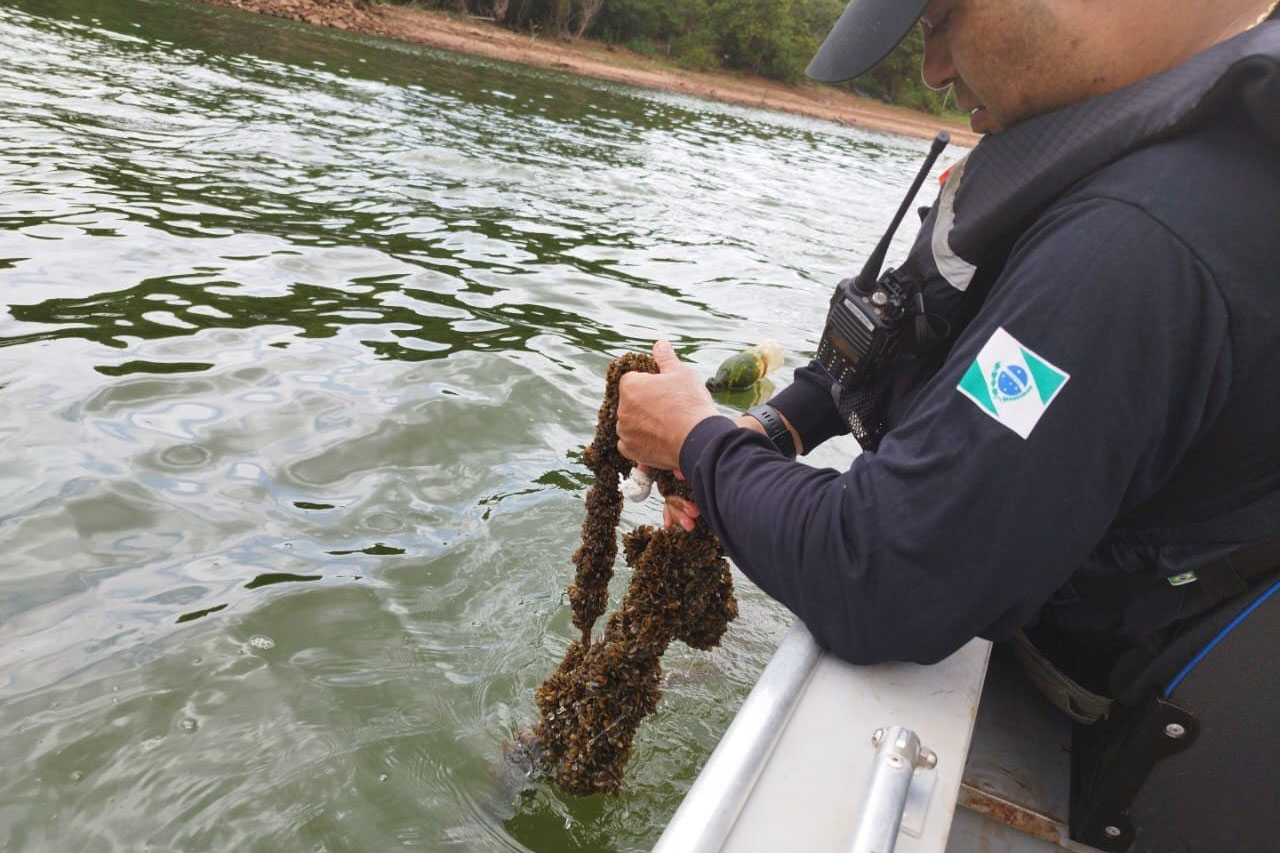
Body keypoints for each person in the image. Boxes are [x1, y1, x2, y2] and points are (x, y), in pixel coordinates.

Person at [615, 0, 1280, 703]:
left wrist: (697, 439)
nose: (934, 72)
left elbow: (879, 577)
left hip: (1105, 692)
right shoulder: (1129, 151)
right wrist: (764, 430)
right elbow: (898, 339)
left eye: (939, 19)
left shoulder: (1140, 237)